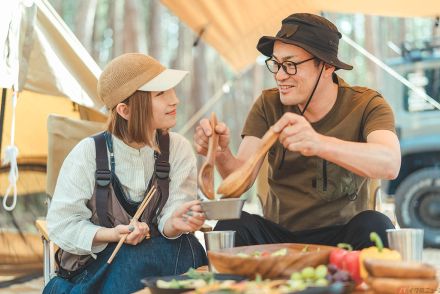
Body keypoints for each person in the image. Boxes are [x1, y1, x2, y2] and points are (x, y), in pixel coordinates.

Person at [194, 13, 400, 250]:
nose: (280, 75)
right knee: (233, 226)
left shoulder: (366, 104)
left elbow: (390, 163)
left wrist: (319, 143)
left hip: (344, 236)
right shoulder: (268, 104)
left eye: (291, 65)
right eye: (276, 64)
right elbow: (240, 181)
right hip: (280, 236)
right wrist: (220, 153)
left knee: (377, 225)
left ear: (326, 65)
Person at [44, 53, 207, 294]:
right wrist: (110, 234)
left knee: (193, 255)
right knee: (133, 261)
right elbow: (62, 225)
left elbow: (172, 214)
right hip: (100, 269)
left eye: (171, 90)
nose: (175, 100)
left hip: (161, 259)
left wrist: (174, 222)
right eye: (160, 94)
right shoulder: (88, 154)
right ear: (125, 110)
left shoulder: (178, 149)